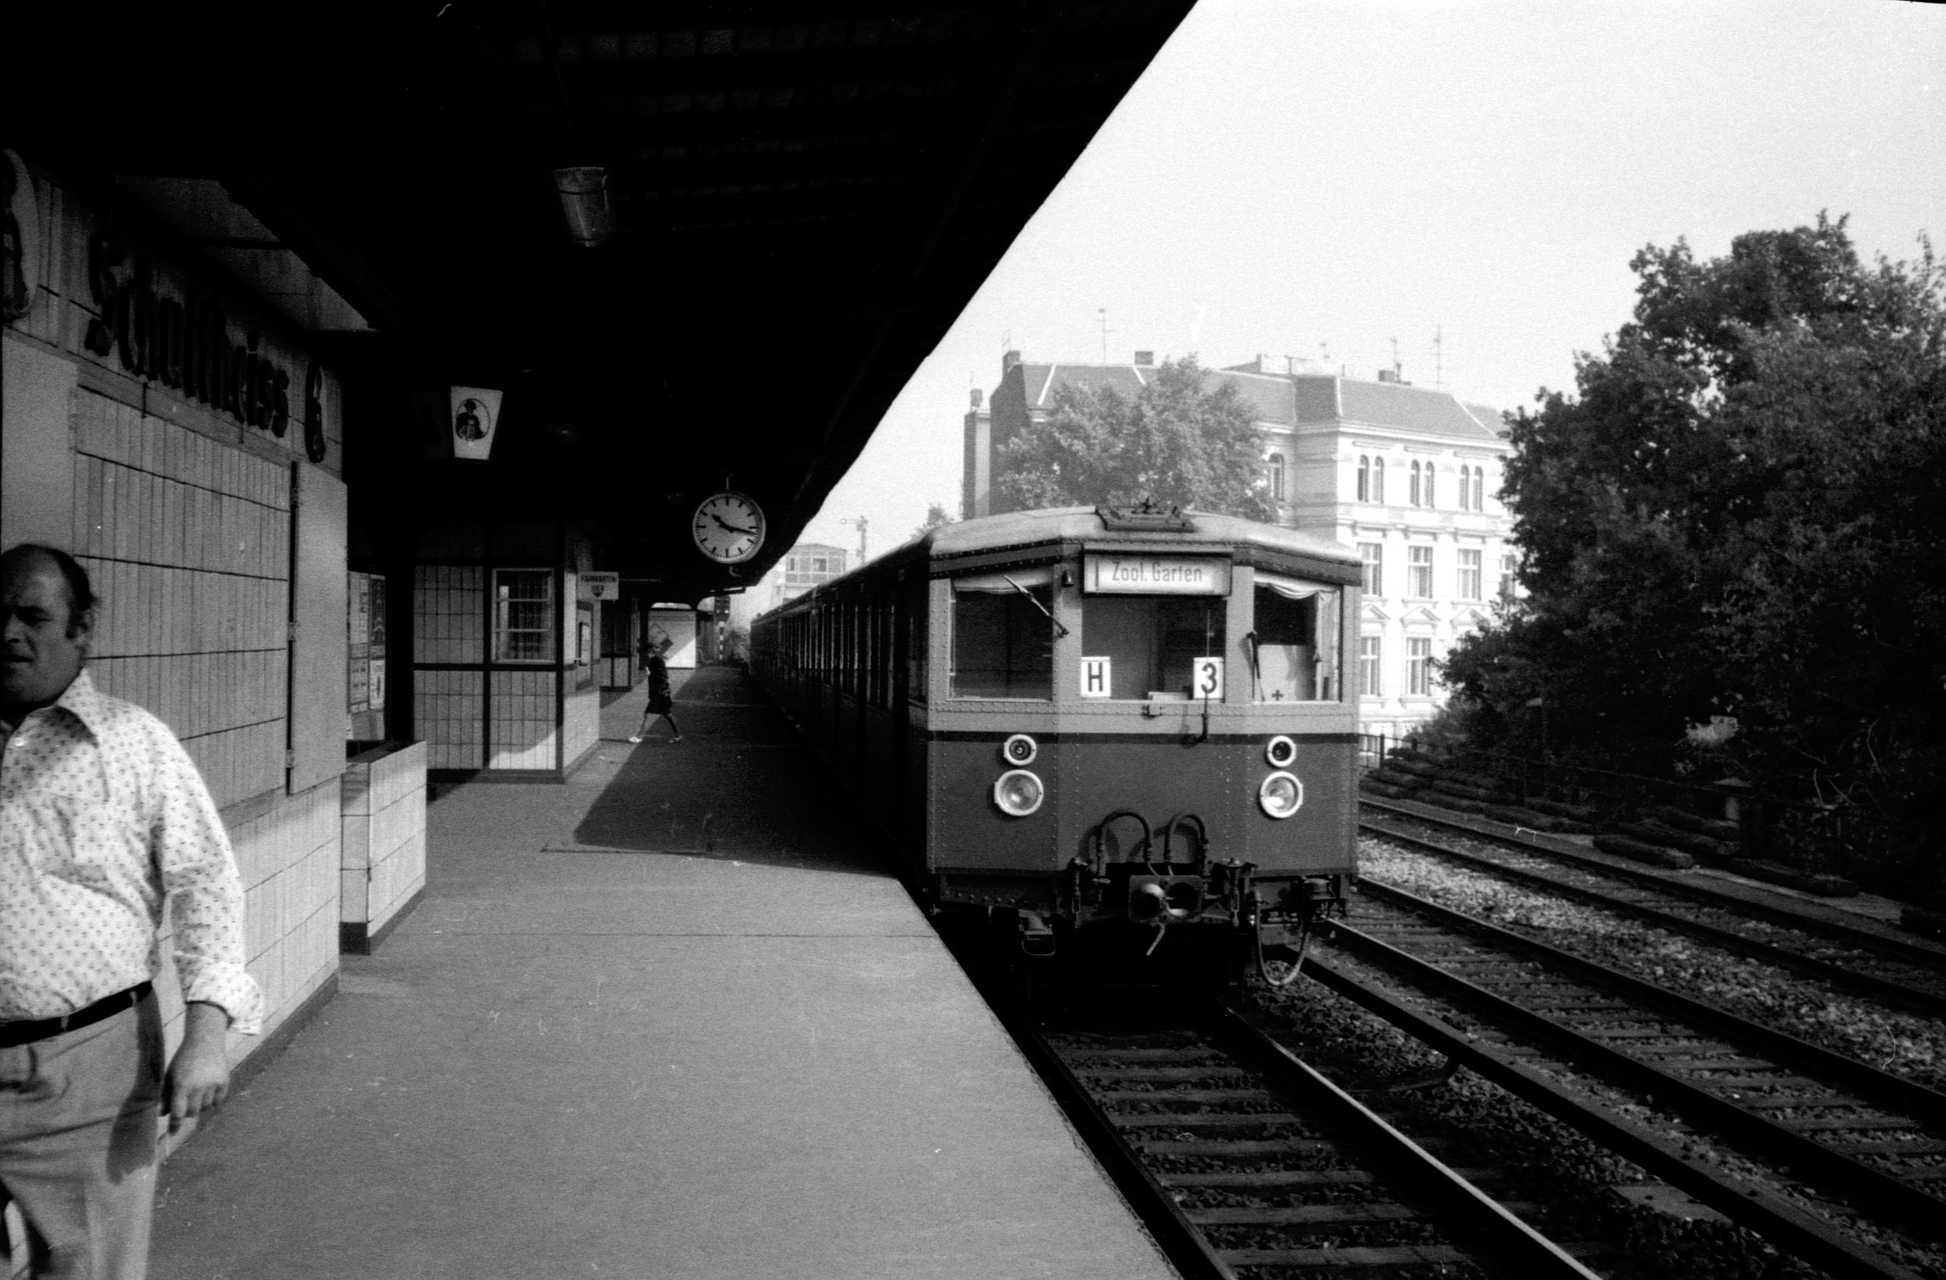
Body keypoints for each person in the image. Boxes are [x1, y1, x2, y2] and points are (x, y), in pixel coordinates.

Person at [0, 543, 262, 1279]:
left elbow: (206, 886)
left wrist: (207, 1036)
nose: (9, 633)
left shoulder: (136, 743)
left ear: (83, 630)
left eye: (32, 616)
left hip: (90, 1075)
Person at [629, 639, 682, 743]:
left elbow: (663, 676)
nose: (644, 653)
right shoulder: (654, 660)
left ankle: (639, 737)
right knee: (667, 714)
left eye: (645, 651)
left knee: (648, 714)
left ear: (650, 650)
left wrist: (650, 675)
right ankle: (678, 735)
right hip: (661, 691)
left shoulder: (657, 660)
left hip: (659, 692)